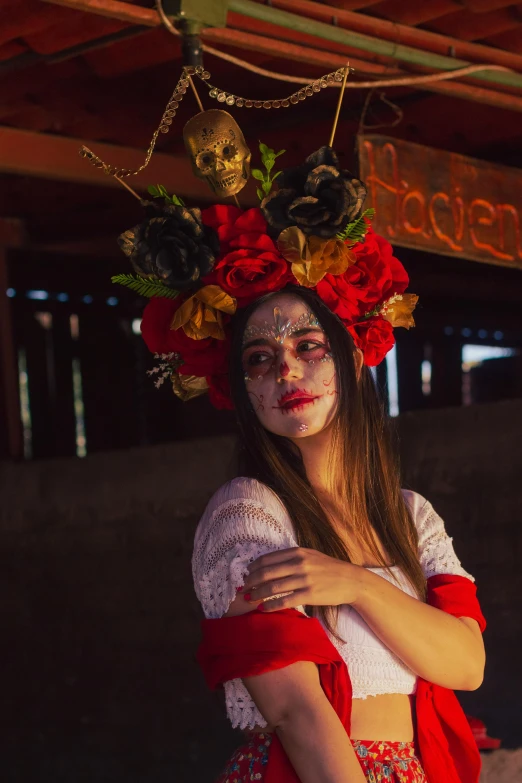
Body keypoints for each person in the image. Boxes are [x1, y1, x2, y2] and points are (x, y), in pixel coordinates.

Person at [117, 129, 486, 781]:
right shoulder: (250, 515)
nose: (286, 370)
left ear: (349, 357)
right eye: (260, 358)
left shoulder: (408, 515)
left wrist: (356, 582)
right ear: (243, 388)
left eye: (309, 345)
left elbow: (465, 662)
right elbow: (294, 708)